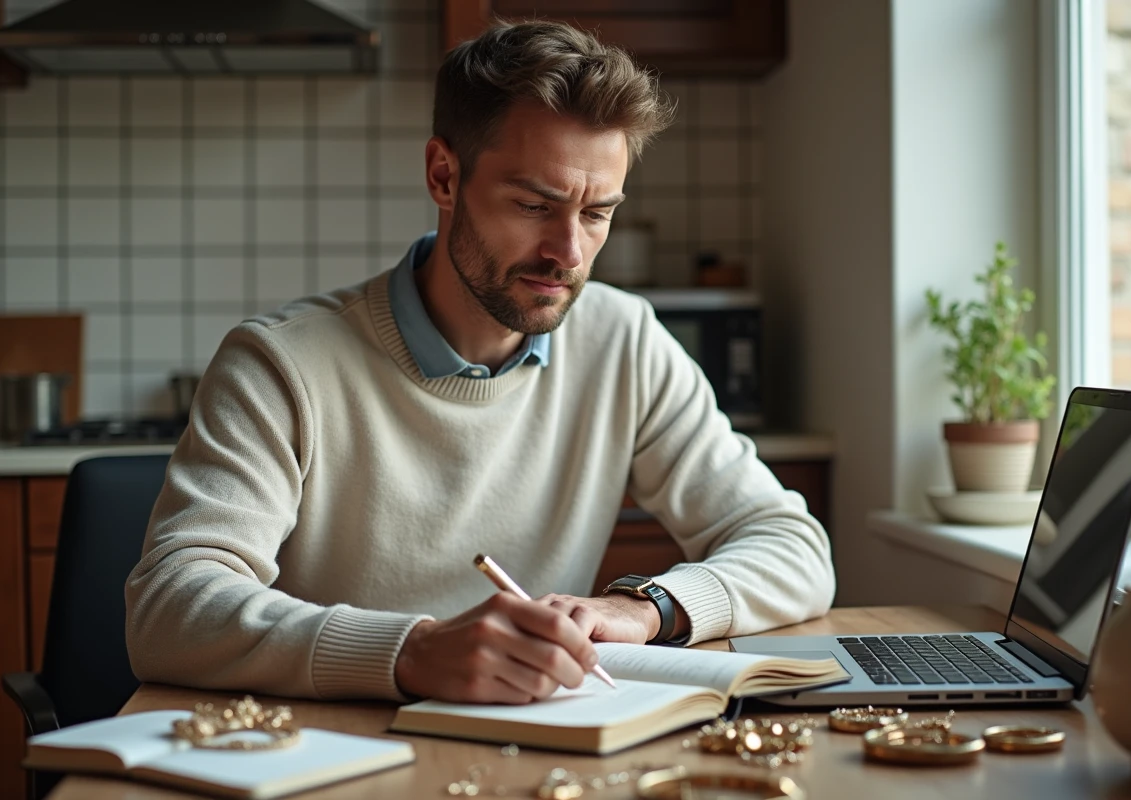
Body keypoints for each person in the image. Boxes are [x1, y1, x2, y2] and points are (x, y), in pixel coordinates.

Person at [125, 20, 834, 706]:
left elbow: (793, 547)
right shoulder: (281, 364)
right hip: (326, 754)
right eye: (535, 204)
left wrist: (647, 608)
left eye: (597, 214)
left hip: (539, 749)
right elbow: (170, 608)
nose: (570, 253)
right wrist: (412, 652)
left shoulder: (625, 341)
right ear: (443, 175)